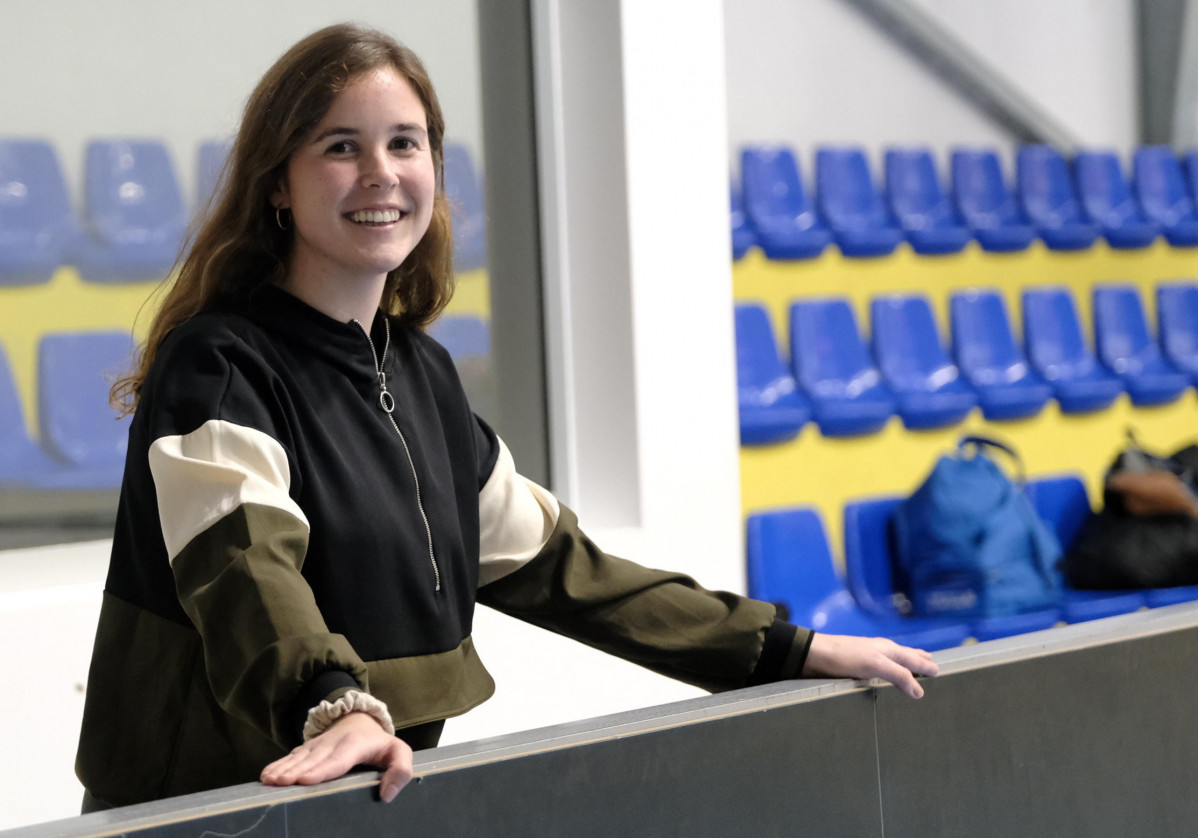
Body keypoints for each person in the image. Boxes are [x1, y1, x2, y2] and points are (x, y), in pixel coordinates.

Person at [75, 22, 938, 812]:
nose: (380, 172)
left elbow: (568, 571)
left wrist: (784, 648)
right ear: (278, 187)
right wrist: (332, 701)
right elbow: (246, 565)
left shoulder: (423, 377)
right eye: (341, 146)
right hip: (207, 808)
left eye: (404, 144)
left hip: (365, 792)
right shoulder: (219, 365)